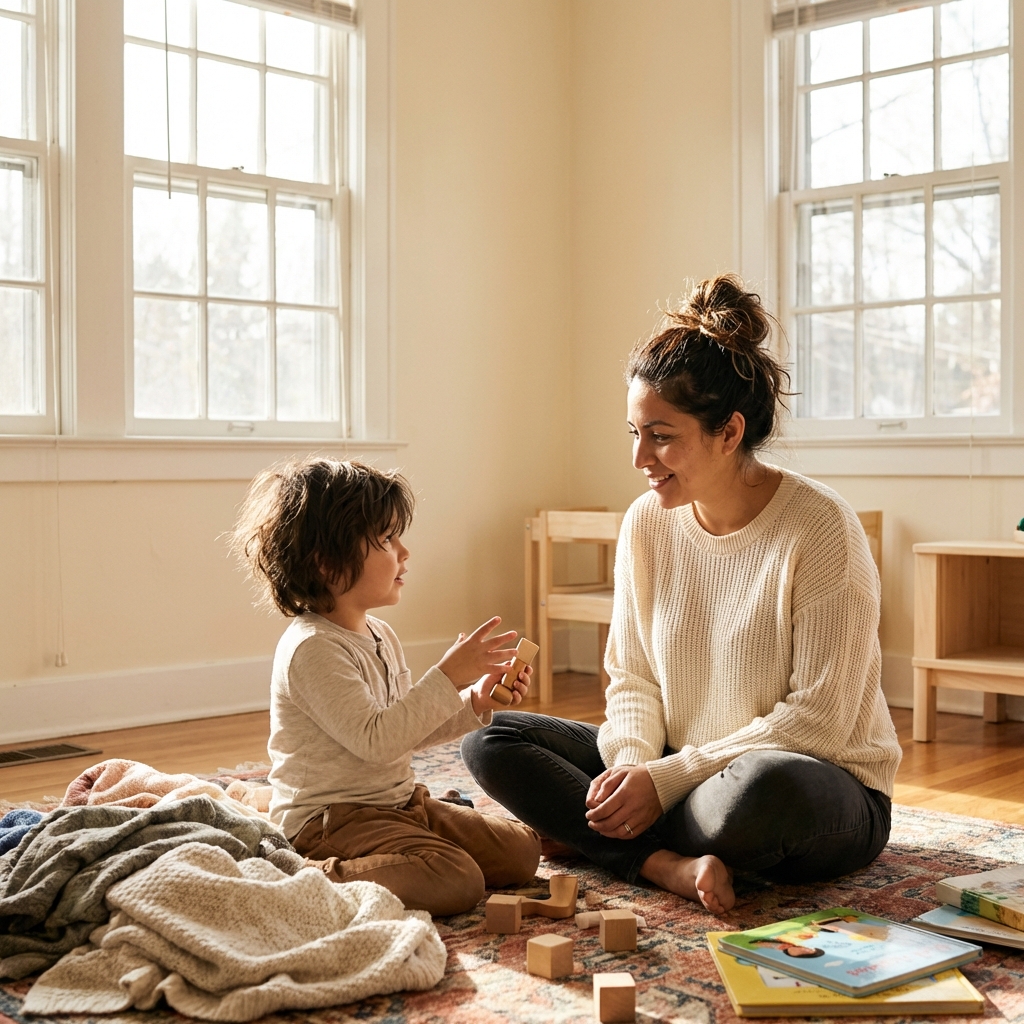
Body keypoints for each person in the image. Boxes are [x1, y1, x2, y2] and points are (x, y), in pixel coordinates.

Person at [462, 274, 901, 914]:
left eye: (662, 435)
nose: (641, 456)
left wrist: (662, 782)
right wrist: (630, 770)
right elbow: (632, 675)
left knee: (759, 794)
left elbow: (819, 722)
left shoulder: (821, 528)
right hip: (681, 771)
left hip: (814, 783)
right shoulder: (646, 522)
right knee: (490, 739)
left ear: (728, 431)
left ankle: (600, 836)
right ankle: (664, 862)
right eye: (634, 432)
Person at [232, 457, 541, 916]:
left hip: (398, 805)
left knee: (522, 853)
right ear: (326, 561)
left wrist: (473, 699)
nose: (404, 552)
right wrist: (446, 675)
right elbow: (377, 742)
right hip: (332, 822)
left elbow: (404, 730)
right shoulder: (311, 648)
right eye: (386, 540)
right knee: (456, 881)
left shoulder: (380, 634)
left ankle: (408, 846)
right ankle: (297, 871)